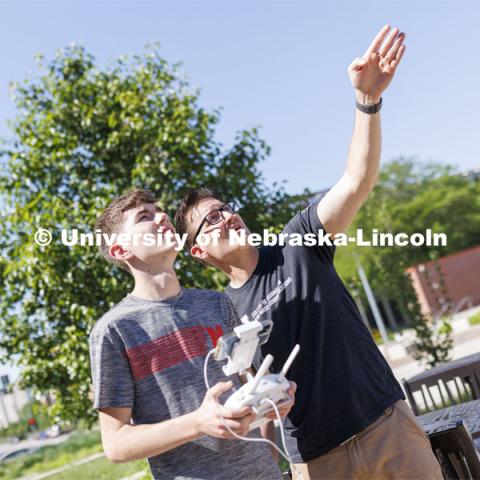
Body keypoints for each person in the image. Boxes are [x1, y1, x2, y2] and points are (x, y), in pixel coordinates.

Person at [175, 26, 443, 479]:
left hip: (385, 428)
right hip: (316, 462)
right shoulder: (219, 312)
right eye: (211, 220)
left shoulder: (299, 241)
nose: (227, 218)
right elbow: (247, 403)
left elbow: (357, 180)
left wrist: (367, 103)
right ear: (199, 251)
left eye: (226, 209)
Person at [89, 189, 294, 480]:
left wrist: (272, 402)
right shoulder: (114, 331)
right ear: (120, 249)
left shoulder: (217, 304)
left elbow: (250, 384)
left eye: (159, 210)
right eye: (144, 217)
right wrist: (198, 423)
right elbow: (116, 444)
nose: (162, 217)